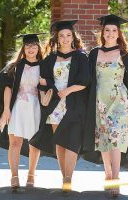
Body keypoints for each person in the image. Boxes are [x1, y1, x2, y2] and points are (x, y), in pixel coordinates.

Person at [84, 14, 128, 197]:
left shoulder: (127, 55)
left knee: (116, 140)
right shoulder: (94, 54)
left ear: (118, 33)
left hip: (120, 102)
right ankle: (108, 175)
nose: (110, 33)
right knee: (104, 141)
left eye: (114, 30)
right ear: (102, 32)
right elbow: (87, 79)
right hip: (99, 102)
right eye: (107, 30)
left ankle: (115, 178)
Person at [30, 20, 90, 192]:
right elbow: (44, 81)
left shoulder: (80, 57)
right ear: (57, 38)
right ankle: (65, 179)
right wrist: (46, 86)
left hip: (74, 104)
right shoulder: (49, 59)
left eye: (68, 35)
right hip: (56, 106)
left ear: (73, 37)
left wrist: (68, 90)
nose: (64, 39)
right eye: (61, 36)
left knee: (72, 142)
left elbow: (85, 81)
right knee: (61, 142)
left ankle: (69, 178)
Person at [0, 33, 44, 191]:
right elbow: (8, 88)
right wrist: (6, 110)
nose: (31, 48)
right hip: (17, 106)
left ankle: (31, 175)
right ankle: (14, 176)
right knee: (15, 142)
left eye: (34, 45)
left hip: (36, 108)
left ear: (38, 47)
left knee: (34, 143)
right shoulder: (16, 66)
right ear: (23, 48)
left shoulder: (44, 65)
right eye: (28, 45)